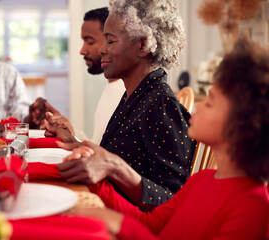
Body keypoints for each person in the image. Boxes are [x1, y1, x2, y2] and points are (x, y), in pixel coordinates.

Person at [71, 33, 269, 239]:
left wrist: (116, 221)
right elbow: (150, 223)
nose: (197, 109)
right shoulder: (200, 180)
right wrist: (96, 181)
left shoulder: (253, 206)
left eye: (209, 103)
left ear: (240, 122)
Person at [46, 0, 196, 211]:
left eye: (110, 41)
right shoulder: (135, 95)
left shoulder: (161, 104)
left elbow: (172, 200)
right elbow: (112, 157)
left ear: (142, 45)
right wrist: (74, 141)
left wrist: (115, 169)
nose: (101, 50)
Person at [26, 7, 125, 144]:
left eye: (90, 42)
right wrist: (68, 129)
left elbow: (108, 157)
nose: (82, 50)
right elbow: (99, 146)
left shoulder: (127, 92)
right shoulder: (112, 87)